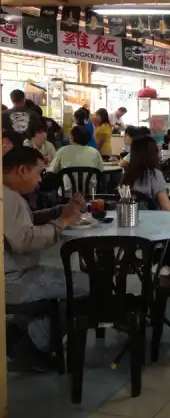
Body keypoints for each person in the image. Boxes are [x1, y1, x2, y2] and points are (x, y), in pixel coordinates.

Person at [3, 147, 89, 370]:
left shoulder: (9, 195)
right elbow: (25, 240)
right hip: (14, 280)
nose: (40, 181)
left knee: (74, 282)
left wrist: (60, 211)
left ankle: (24, 328)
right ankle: (33, 343)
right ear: (22, 170)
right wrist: (64, 222)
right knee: (89, 285)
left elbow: (26, 222)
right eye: (38, 173)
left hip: (15, 272)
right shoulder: (8, 198)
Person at [121, 136, 170, 275]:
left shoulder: (127, 175)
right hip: (154, 225)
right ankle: (167, 265)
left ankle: (155, 256)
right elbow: (166, 206)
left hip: (130, 225)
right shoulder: (154, 174)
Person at [49, 126, 104, 196]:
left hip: (67, 195)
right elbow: (101, 171)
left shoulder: (62, 151)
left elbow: (53, 170)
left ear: (72, 137)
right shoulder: (95, 152)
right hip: (90, 194)